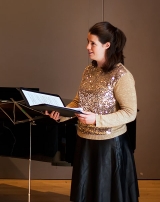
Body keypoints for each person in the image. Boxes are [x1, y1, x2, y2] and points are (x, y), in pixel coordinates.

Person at [45, 22, 139, 202]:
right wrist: (60, 113)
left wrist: (97, 119)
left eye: (92, 43)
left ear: (107, 45)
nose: (87, 47)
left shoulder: (122, 75)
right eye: (87, 42)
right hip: (85, 143)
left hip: (109, 148)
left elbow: (129, 113)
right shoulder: (88, 71)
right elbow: (78, 102)